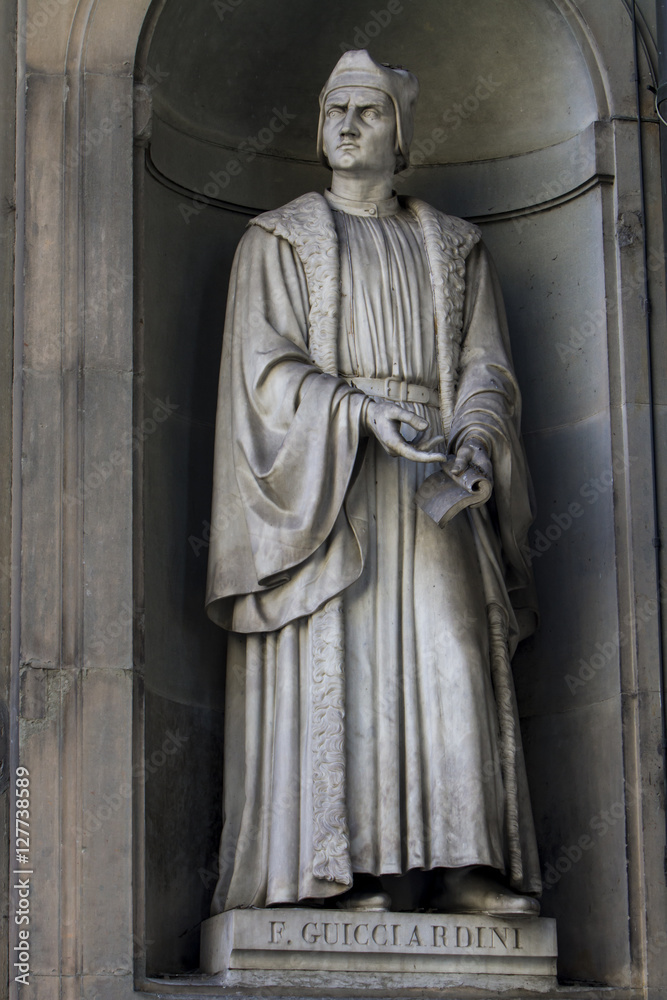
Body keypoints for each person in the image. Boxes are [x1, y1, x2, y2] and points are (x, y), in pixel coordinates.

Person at [205, 50, 542, 916]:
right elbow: (262, 372)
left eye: (370, 111)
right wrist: (353, 412)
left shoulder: (458, 246)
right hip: (332, 485)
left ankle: (462, 866)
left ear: (403, 135)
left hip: (433, 482)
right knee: (343, 668)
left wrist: (473, 436)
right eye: (335, 111)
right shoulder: (277, 239)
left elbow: (486, 368)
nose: (347, 125)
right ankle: (335, 874)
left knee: (452, 659)